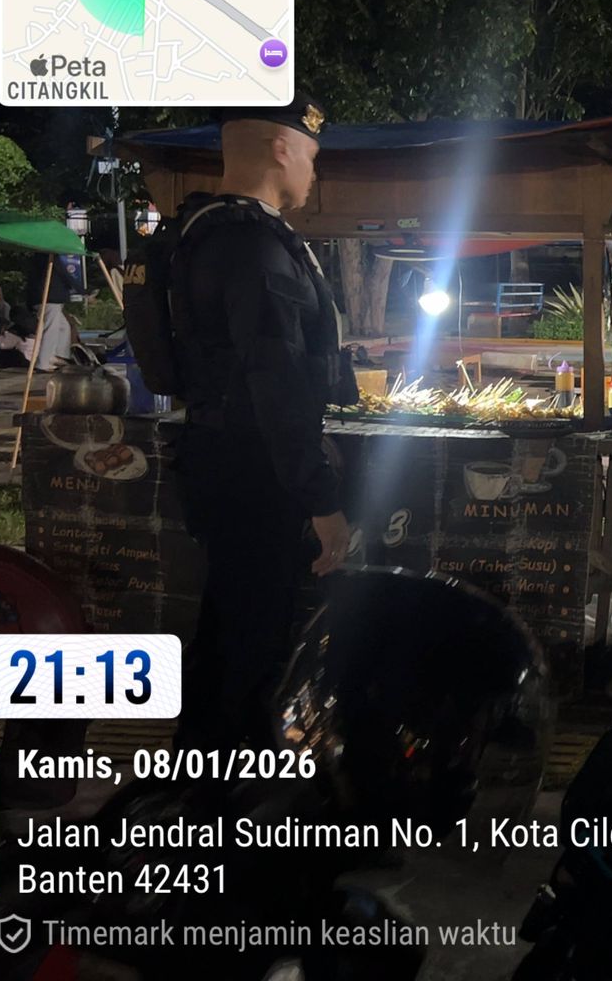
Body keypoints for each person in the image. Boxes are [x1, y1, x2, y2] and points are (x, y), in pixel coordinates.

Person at [170, 95, 356, 752]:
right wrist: (322, 501)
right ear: (281, 149)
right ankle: (236, 789)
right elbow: (276, 383)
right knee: (253, 645)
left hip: (224, 458)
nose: (313, 171)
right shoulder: (254, 247)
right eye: (310, 155)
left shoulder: (209, 231)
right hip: (255, 473)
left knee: (228, 632)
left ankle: (202, 775)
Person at [24, 254, 81, 371]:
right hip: (49, 299)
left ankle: (58, 356)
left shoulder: (38, 259)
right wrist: (82, 290)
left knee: (63, 327)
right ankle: (43, 362)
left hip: (43, 298)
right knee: (51, 329)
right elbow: (65, 275)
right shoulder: (50, 257)